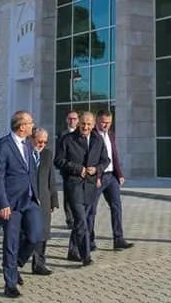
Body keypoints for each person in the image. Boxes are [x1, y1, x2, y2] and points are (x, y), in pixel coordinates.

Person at [0, 128, 57, 275]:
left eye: (45, 142)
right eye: (39, 141)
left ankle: (37, 263)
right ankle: (12, 269)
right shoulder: (21, 150)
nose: (42, 144)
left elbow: (51, 179)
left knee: (39, 232)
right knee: (18, 235)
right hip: (16, 198)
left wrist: (53, 200)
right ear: (31, 139)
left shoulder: (47, 154)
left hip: (39, 198)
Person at [0, 110, 41, 298]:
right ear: (21, 127)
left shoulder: (27, 144)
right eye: (30, 123)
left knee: (35, 235)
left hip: (29, 200)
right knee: (11, 243)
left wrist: (37, 194)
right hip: (11, 204)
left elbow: (31, 172)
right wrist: (2, 203)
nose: (32, 125)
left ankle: (17, 263)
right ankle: (10, 284)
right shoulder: (3, 146)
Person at [54, 111, 109, 267]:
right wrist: (79, 169)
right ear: (78, 123)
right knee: (81, 221)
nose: (86, 127)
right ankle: (86, 256)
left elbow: (106, 160)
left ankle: (72, 251)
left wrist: (97, 169)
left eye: (89, 124)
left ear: (93, 125)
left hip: (90, 186)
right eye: (83, 123)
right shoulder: (67, 139)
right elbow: (58, 161)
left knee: (81, 221)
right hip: (74, 185)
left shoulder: (98, 139)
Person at [88, 110, 133, 251]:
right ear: (97, 121)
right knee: (91, 210)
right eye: (103, 122)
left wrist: (119, 174)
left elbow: (114, 155)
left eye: (108, 122)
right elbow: (91, 159)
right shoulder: (92, 136)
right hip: (98, 178)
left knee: (116, 207)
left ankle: (118, 238)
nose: (106, 124)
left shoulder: (111, 134)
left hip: (111, 177)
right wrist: (97, 177)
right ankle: (89, 240)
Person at [56, 111, 78, 229]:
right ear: (66, 120)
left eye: (74, 119)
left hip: (79, 169)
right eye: (70, 119)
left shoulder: (81, 133)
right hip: (67, 169)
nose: (72, 121)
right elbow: (59, 152)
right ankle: (69, 219)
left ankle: (77, 216)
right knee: (68, 196)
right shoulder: (62, 133)